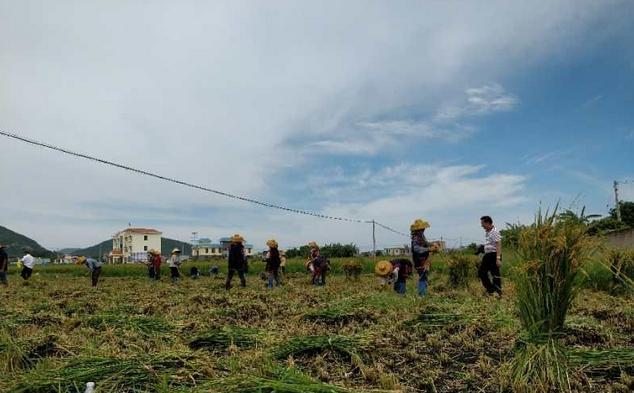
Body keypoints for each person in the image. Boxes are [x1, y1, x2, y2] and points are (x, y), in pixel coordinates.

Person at [479, 216, 502, 296]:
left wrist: (498, 258)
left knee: (495, 274)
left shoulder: (494, 231)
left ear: (487, 223)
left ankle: (497, 292)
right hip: (488, 255)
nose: (482, 225)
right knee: (482, 273)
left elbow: (498, 244)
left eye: (482, 223)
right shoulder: (488, 232)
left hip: (494, 255)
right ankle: (491, 290)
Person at [410, 219, 431, 297]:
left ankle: (424, 292)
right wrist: (428, 249)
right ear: (417, 230)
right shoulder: (415, 238)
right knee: (422, 277)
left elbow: (426, 243)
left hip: (424, 259)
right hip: (419, 260)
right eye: (421, 229)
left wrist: (432, 244)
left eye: (423, 229)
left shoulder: (421, 236)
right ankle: (421, 295)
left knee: (425, 276)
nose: (423, 230)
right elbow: (416, 249)